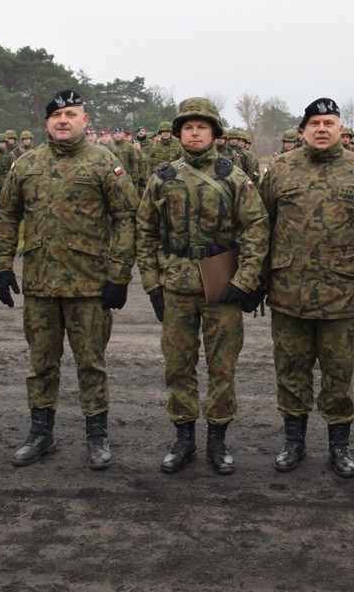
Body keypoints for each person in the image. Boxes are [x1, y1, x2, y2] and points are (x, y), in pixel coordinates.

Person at [0, 90, 139, 470]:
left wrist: (119, 274)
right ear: (46, 123)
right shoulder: (27, 164)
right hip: (40, 285)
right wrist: (2, 266)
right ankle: (41, 434)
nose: (63, 120)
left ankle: (97, 437)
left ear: (85, 121)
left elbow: (127, 217)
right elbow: (7, 215)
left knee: (91, 363)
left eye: (71, 114)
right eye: (56, 115)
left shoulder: (104, 163)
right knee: (42, 363)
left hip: (90, 286)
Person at [136, 97, 270, 475]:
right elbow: (144, 231)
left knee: (222, 367)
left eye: (202, 127)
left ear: (214, 133)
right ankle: (183, 440)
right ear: (179, 133)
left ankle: (217, 440)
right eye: (188, 127)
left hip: (222, 287)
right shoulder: (162, 177)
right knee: (178, 366)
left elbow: (257, 228)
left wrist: (244, 280)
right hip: (176, 286)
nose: (194, 133)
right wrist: (152, 284)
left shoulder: (234, 177)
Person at [259, 98, 354, 478]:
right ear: (302, 131)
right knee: (291, 372)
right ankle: (293, 443)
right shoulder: (280, 169)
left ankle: (340, 447)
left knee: (339, 375)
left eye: (329, 122)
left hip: (342, 296)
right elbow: (262, 228)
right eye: (314, 123)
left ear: (341, 128)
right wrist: (258, 280)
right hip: (288, 293)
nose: (322, 129)